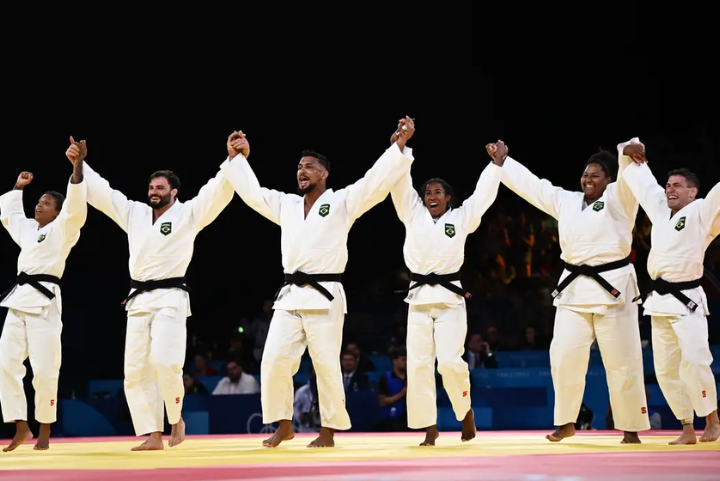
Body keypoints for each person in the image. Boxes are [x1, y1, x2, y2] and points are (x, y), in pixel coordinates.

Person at [221, 118, 416, 448]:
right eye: (299, 167)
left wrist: (398, 147)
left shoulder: (341, 202)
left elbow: (374, 183)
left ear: (324, 174)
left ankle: (328, 431)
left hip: (325, 296)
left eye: (309, 166)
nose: (302, 171)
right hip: (290, 296)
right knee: (273, 362)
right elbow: (252, 195)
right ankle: (284, 424)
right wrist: (238, 159)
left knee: (326, 366)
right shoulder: (287, 205)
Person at [66, 135, 235, 451]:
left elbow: (217, 192)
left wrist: (232, 161)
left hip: (170, 297)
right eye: (151, 188)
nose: (153, 192)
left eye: (160, 188)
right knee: (133, 370)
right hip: (139, 299)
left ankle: (176, 418)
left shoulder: (188, 214)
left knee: (163, 361)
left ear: (173, 192)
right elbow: (102, 193)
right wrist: (79, 165)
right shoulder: (134, 213)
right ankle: (153, 434)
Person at [486, 138, 650, 444]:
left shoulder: (620, 198)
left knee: (623, 361)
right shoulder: (567, 201)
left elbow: (628, 170)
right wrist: (504, 161)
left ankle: (630, 427)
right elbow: (534, 187)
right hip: (574, 290)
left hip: (614, 288)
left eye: (595, 175)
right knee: (563, 356)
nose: (588, 179)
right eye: (586, 174)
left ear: (610, 179)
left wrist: (626, 152)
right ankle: (566, 421)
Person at [389, 118, 504, 445]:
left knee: (451, 362)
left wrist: (495, 166)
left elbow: (482, 196)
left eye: (438, 191)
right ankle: (429, 428)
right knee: (420, 365)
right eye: (428, 192)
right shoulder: (411, 214)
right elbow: (400, 183)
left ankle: (465, 412)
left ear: (449, 198)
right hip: (418, 298)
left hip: (451, 298)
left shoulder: (461, 218)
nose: (431, 195)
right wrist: (400, 148)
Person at [621, 150, 720, 444]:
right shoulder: (661, 210)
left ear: (693, 191)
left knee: (696, 361)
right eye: (669, 185)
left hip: (687, 300)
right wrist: (630, 149)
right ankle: (687, 427)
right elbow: (643, 182)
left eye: (677, 185)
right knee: (665, 369)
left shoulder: (702, 211)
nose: (670, 189)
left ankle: (713, 420)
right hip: (659, 301)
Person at [0, 147, 87, 452]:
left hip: (45, 302)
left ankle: (45, 428)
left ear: (57, 212)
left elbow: (76, 207)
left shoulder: (64, 229)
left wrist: (77, 166)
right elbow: (9, 216)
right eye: (38, 202)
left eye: (47, 203)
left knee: (45, 367)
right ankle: (21, 426)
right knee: (6, 362)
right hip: (17, 300)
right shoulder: (28, 229)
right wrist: (18, 188)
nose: (39, 205)